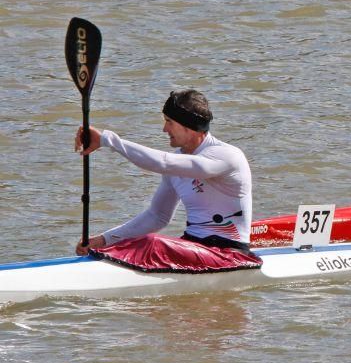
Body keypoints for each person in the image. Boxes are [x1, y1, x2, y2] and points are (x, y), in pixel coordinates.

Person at [74, 89, 253, 255]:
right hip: (193, 247)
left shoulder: (227, 156)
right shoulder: (176, 163)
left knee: (149, 243)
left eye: (169, 122)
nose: (164, 129)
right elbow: (157, 216)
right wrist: (103, 240)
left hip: (228, 253)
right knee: (131, 245)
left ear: (188, 126)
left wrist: (107, 140)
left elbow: (163, 163)